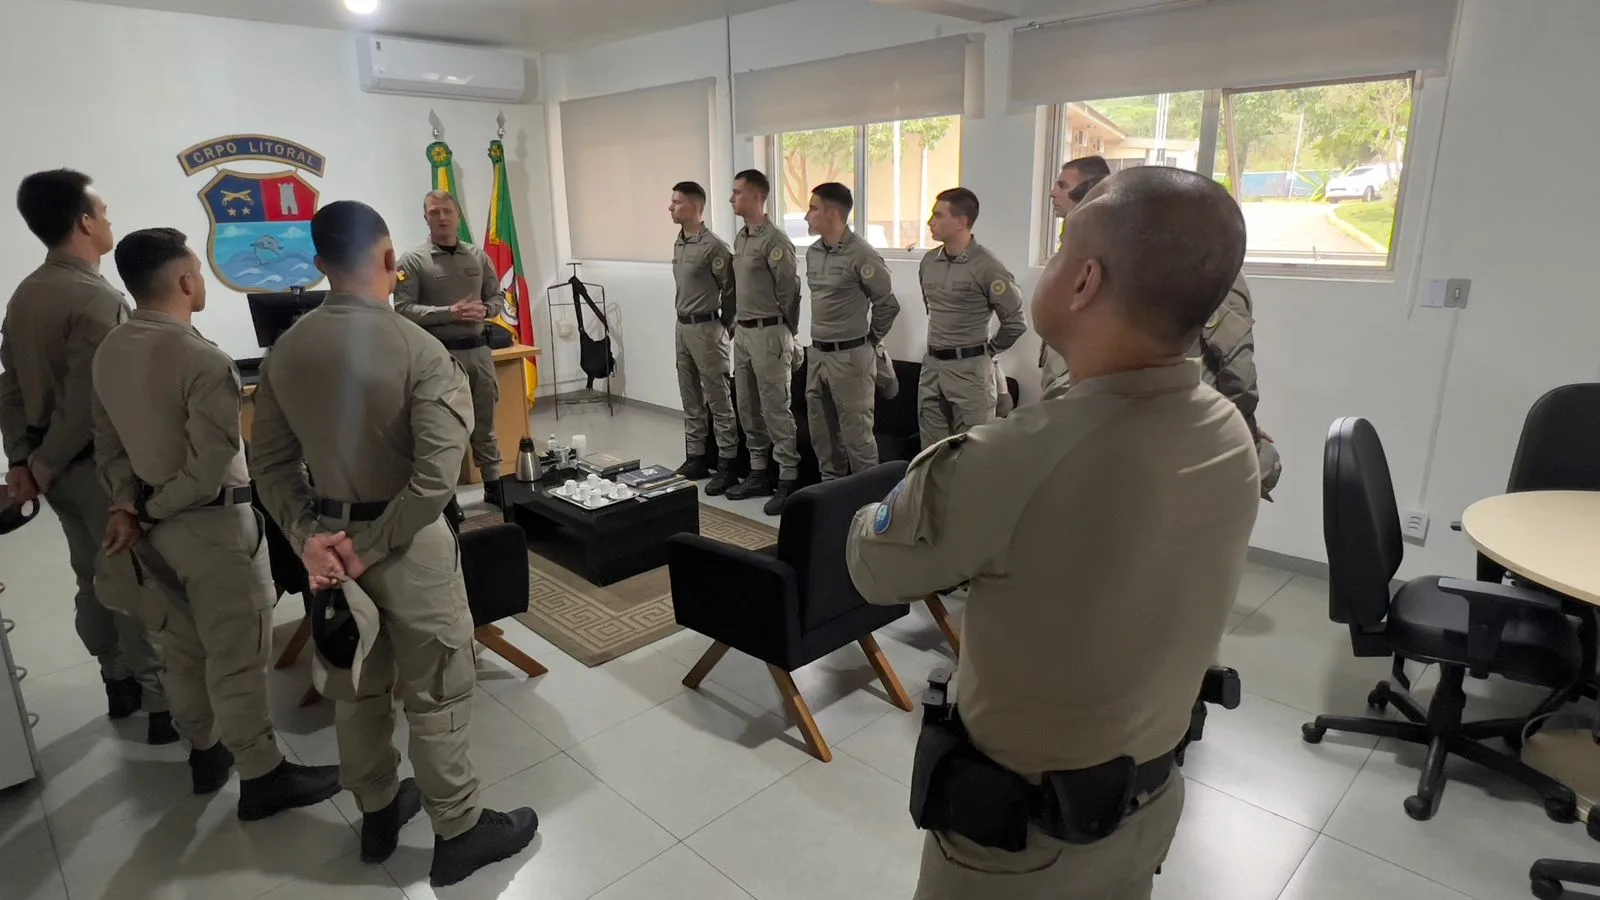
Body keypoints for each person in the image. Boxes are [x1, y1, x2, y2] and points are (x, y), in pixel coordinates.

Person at [847, 167, 1261, 900]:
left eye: (1062, 249)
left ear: (1085, 282)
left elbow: (874, 569)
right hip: (1146, 808)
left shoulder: (1014, 458)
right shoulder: (1228, 432)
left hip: (1024, 848)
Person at [249, 201, 537, 885]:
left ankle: (377, 809)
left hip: (330, 545)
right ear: (388, 261)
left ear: (320, 264)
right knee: (437, 689)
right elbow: (437, 476)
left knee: (357, 686)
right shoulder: (419, 349)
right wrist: (373, 545)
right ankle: (459, 830)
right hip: (408, 546)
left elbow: (271, 466)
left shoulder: (287, 351)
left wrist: (311, 541)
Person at [92, 227, 342, 815]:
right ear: (185, 281)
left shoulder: (111, 350)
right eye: (199, 273)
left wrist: (130, 507)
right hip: (212, 529)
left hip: (153, 535)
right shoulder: (203, 359)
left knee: (182, 649)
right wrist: (149, 509)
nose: (202, 282)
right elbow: (208, 469)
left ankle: (204, 752)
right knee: (237, 656)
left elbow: (109, 446)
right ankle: (263, 774)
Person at [0, 169, 168, 738]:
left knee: (91, 576)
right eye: (104, 211)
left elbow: (10, 388)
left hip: (53, 470)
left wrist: (22, 461)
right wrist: (42, 464)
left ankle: (116, 679)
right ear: (84, 222)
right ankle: (161, 706)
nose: (110, 219)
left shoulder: (26, 293)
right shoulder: (96, 298)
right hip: (94, 468)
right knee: (132, 580)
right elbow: (87, 403)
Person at [393, 190, 506, 505]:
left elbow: (497, 297)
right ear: (425, 218)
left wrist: (486, 309)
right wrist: (449, 313)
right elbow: (402, 308)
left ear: (458, 216)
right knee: (443, 429)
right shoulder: (412, 261)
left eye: (447, 211)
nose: (441, 217)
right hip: (439, 357)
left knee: (485, 422)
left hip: (479, 353)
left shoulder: (477, 256)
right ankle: (447, 498)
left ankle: (494, 486)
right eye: (434, 212)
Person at [803, 182, 899, 480]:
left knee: (858, 439)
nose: (807, 216)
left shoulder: (862, 255)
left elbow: (887, 305)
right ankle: (831, 495)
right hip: (818, 354)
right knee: (823, 437)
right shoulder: (814, 252)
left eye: (813, 208)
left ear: (832, 213)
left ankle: (867, 500)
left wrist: (870, 340)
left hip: (851, 358)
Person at [917, 188, 1026, 448]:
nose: (930, 222)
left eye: (938, 215)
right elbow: (931, 309)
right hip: (932, 367)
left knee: (972, 451)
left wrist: (988, 351)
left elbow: (1015, 322)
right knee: (931, 451)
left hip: (970, 371)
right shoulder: (929, 262)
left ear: (961, 221)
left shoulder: (987, 266)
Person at [722, 169, 802, 515]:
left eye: (737, 192)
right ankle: (758, 472)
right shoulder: (741, 238)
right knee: (747, 405)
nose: (731, 198)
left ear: (756, 196)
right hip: (744, 332)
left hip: (770, 332)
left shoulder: (775, 240)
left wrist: (787, 332)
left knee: (775, 408)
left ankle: (788, 478)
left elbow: (790, 292)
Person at [667, 181, 740, 494]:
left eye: (677, 202)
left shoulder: (714, 247)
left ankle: (727, 463)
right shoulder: (680, 242)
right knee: (690, 397)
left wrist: (724, 328)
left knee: (718, 399)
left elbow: (732, 291)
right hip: (683, 327)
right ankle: (696, 457)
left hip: (708, 328)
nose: (670, 208)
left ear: (695, 207)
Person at [1040, 156, 1112, 392]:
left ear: (1089, 190)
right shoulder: (1071, 241)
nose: (1053, 193)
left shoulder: (1098, 246)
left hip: (1077, 362)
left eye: (1062, 186)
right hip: (1061, 356)